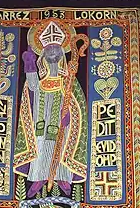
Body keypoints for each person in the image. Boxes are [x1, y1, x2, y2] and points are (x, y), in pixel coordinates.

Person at [13, 22, 87, 198]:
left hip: (63, 125)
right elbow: (31, 89)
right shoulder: (40, 81)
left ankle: (62, 178)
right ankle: (38, 178)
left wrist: (70, 113)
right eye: (49, 50)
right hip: (41, 121)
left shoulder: (68, 80)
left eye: (56, 49)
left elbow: (79, 103)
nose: (52, 53)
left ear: (62, 54)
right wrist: (29, 66)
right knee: (40, 147)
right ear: (43, 55)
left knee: (60, 149)